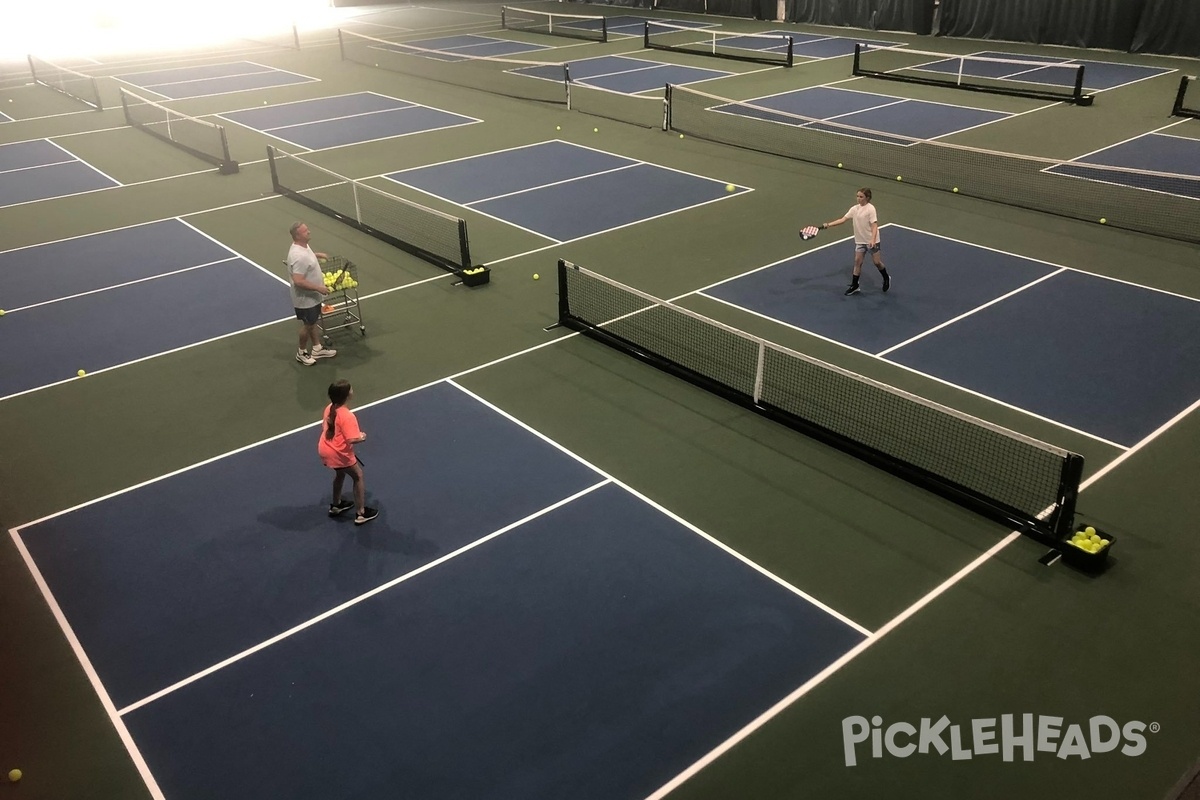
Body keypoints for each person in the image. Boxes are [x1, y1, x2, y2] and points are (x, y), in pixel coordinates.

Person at [319, 379, 378, 525]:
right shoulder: (348, 416)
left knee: (340, 473)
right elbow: (352, 439)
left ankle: (336, 505)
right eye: (350, 389)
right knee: (358, 476)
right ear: (346, 395)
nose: (352, 390)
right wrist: (362, 437)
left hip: (325, 448)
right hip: (338, 453)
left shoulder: (329, 408)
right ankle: (361, 513)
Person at [818, 188, 890, 296]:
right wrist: (828, 225)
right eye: (857, 196)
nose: (858, 199)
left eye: (861, 197)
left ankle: (886, 277)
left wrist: (873, 240)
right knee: (857, 262)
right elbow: (842, 220)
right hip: (860, 241)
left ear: (867, 198)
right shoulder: (854, 209)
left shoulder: (871, 209)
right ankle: (855, 285)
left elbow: (874, 226)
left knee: (877, 262)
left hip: (872, 241)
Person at [287, 221, 336, 365]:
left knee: (313, 322)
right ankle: (301, 353)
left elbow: (306, 258)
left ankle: (317, 348)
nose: (309, 232)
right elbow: (298, 281)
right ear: (298, 235)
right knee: (308, 325)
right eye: (305, 231)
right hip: (305, 299)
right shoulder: (298, 256)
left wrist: (316, 255)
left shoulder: (302, 246)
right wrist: (318, 288)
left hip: (312, 297)